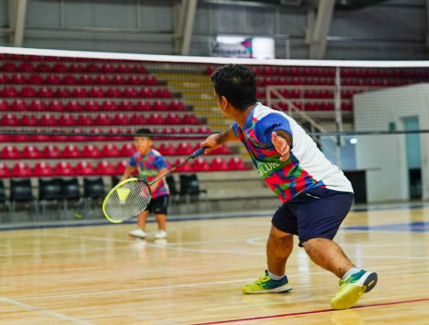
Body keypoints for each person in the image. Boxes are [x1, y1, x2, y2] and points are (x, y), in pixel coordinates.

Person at [200, 64, 377, 310]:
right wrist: (218, 140)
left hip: (322, 189)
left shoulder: (266, 121)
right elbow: (235, 131)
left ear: (223, 101)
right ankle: (276, 280)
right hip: (300, 195)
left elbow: (278, 129)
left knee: (313, 241)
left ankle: (353, 275)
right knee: (278, 233)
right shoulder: (246, 121)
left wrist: (283, 141)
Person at [121, 128, 170, 239]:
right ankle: (141, 230)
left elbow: (163, 170)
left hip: (160, 191)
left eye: (142, 140)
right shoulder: (136, 156)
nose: (139, 143)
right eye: (136, 140)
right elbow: (130, 167)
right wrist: (124, 178)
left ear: (150, 143)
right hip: (145, 190)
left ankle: (162, 230)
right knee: (142, 210)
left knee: (159, 213)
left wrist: (155, 183)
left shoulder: (156, 156)